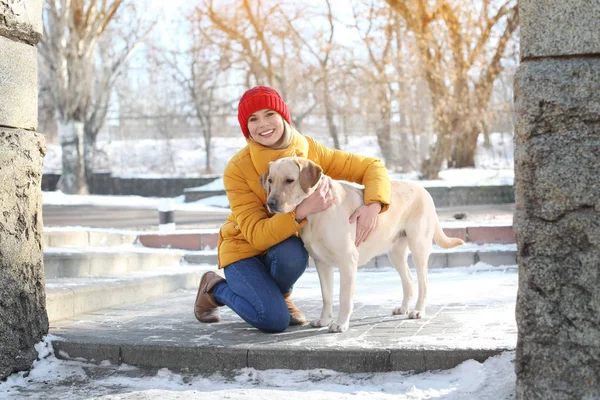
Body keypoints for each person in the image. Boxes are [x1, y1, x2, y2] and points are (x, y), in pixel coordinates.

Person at [194, 86, 391, 333]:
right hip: (244, 251)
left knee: (294, 252)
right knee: (271, 320)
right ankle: (214, 288)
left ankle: (277, 294)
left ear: (283, 116)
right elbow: (256, 235)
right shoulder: (237, 169)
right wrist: (301, 211)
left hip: (282, 249)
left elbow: (371, 166)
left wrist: (374, 203)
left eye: (269, 114)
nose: (262, 124)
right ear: (247, 128)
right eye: (252, 119)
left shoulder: (310, 153)